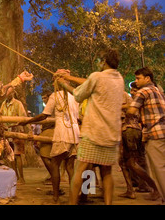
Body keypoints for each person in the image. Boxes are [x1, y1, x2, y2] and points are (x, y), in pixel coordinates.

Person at [57, 48, 125, 205]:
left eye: (98, 60)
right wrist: (69, 77)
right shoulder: (119, 79)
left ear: (104, 62)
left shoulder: (97, 77)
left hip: (94, 133)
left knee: (79, 171)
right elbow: (89, 82)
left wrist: (63, 83)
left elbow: (78, 94)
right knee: (107, 172)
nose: (97, 63)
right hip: (112, 134)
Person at [23, 73, 80, 204]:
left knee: (55, 165)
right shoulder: (74, 96)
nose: (53, 83)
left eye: (54, 81)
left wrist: (27, 122)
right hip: (74, 134)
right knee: (70, 167)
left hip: (62, 133)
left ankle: (55, 197)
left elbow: (44, 115)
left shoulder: (55, 96)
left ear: (59, 82)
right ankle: (74, 197)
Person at [127, 67, 165, 203]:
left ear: (147, 78)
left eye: (138, 78)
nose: (136, 81)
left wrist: (123, 109)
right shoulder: (158, 91)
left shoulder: (143, 91)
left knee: (158, 169)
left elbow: (131, 111)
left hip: (154, 133)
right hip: (163, 130)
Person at [118, 81, 160, 200]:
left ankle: (154, 187)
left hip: (130, 130)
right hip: (128, 131)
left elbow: (131, 108)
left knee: (132, 162)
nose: (132, 91)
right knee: (125, 162)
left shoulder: (131, 97)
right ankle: (132, 189)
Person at [0, 86, 29, 184]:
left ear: (13, 93)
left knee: (17, 155)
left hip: (17, 131)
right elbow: (0, 116)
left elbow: (23, 118)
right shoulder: (4, 104)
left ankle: (22, 178)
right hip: (7, 132)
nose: (7, 95)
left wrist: (13, 124)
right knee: (10, 155)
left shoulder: (18, 104)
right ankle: (15, 176)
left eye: (9, 93)